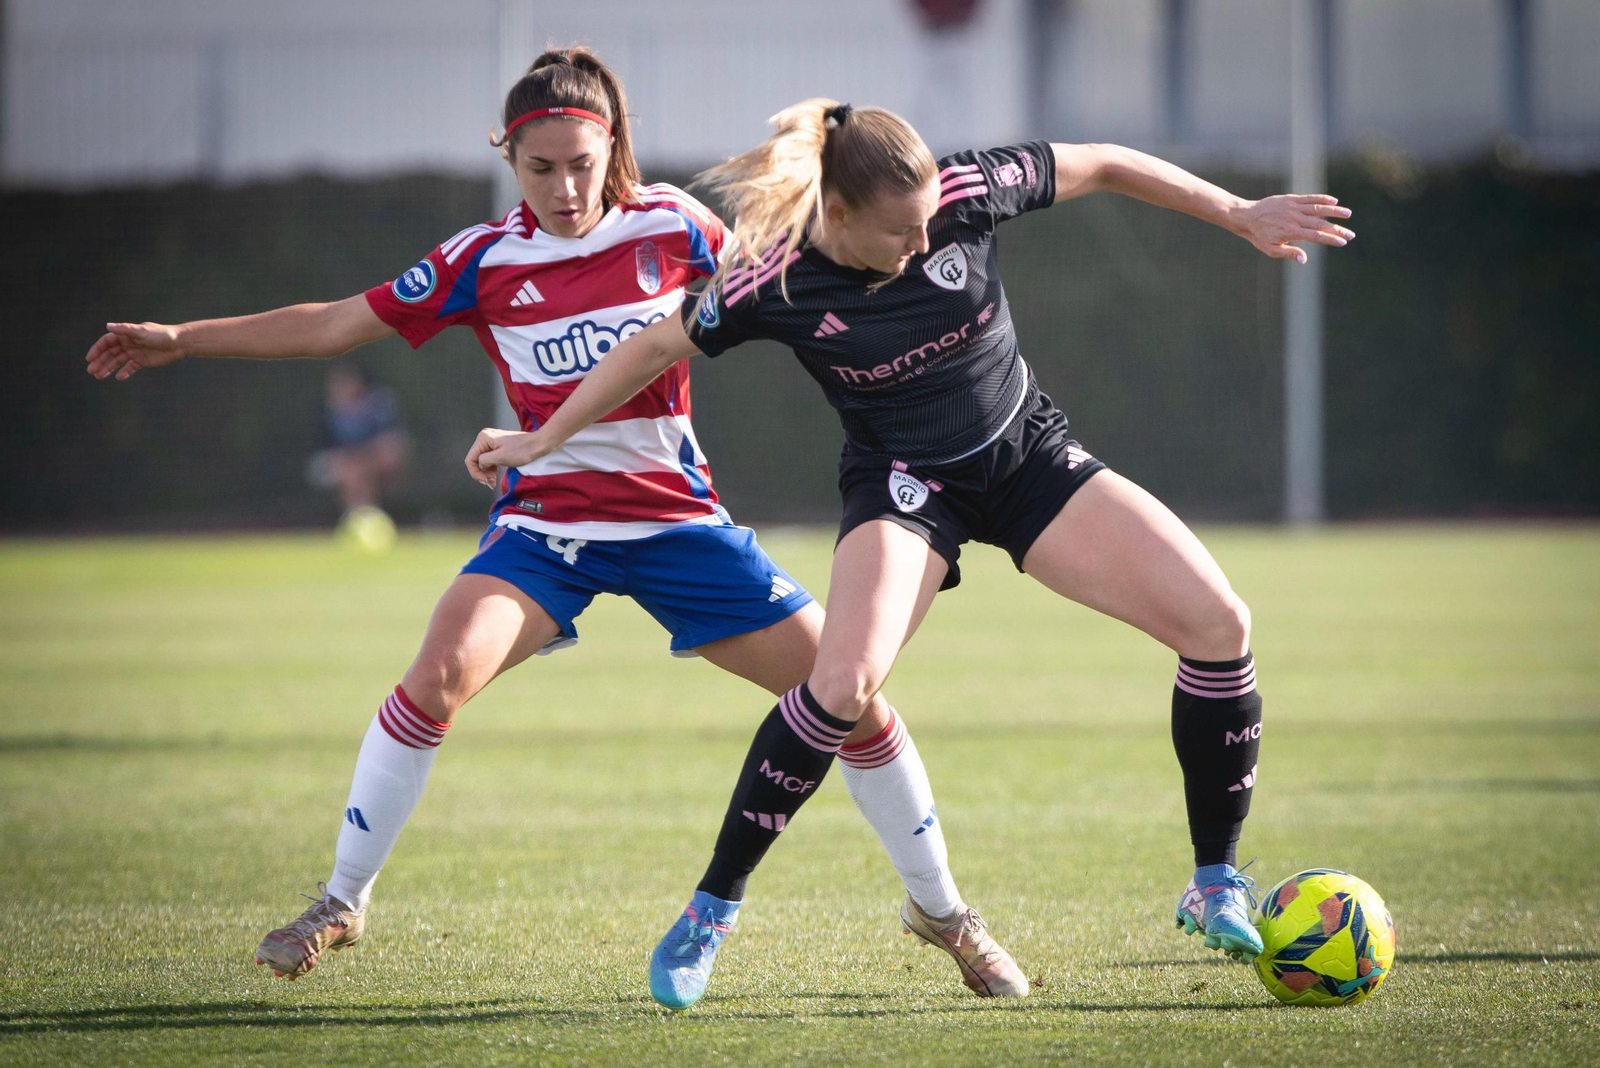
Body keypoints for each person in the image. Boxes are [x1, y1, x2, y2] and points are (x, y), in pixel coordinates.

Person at [82, 57, 1028, 1003]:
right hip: (546, 527)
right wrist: (184, 338)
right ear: (509, 157)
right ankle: (340, 899)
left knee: (848, 700)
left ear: (612, 144)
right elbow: (337, 324)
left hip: (677, 526)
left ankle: (943, 912)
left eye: (581, 162)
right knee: (438, 674)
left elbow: (801, 278)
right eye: (540, 168)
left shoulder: (677, 227)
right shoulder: (482, 259)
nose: (565, 187)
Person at [465, 99, 1355, 1006]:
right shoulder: (772, 279)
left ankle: (1214, 883)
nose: (924, 240)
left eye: (930, 219)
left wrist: (1238, 213)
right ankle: (711, 911)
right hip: (905, 489)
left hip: (1029, 460)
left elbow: (1108, 160)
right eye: (901, 229)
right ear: (839, 216)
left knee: (1219, 624)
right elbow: (657, 343)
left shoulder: (965, 190)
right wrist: (544, 439)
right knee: (841, 687)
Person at [310, 363, 410, 549]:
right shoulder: (330, 412)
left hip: (373, 457)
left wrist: (362, 457)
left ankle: (365, 519)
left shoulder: (379, 403)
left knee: (362, 467)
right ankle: (359, 520)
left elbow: (391, 441)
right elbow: (328, 451)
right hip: (347, 463)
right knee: (349, 471)